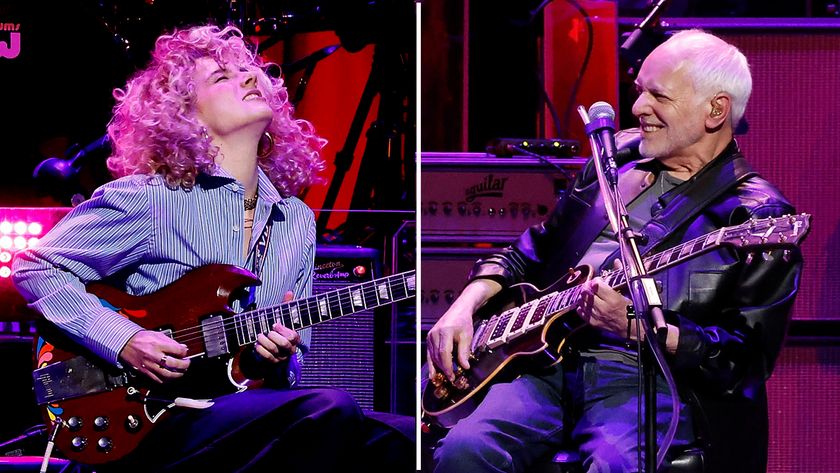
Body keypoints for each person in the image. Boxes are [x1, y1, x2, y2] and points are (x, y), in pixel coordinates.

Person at [13, 24, 413, 472]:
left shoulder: (296, 220)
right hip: (148, 414)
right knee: (329, 410)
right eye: (222, 77)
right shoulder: (152, 198)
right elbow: (35, 267)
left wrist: (272, 357)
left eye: (251, 72)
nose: (248, 79)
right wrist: (124, 339)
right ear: (184, 114)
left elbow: (291, 364)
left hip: (233, 410)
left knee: (405, 439)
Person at [425, 29, 803, 473]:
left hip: (644, 377)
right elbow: (532, 249)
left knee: (613, 467)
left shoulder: (755, 216)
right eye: (639, 91)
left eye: (658, 96)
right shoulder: (614, 160)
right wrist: (463, 307)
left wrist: (634, 326)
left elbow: (744, 363)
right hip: (545, 361)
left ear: (715, 110)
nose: (638, 108)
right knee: (464, 452)